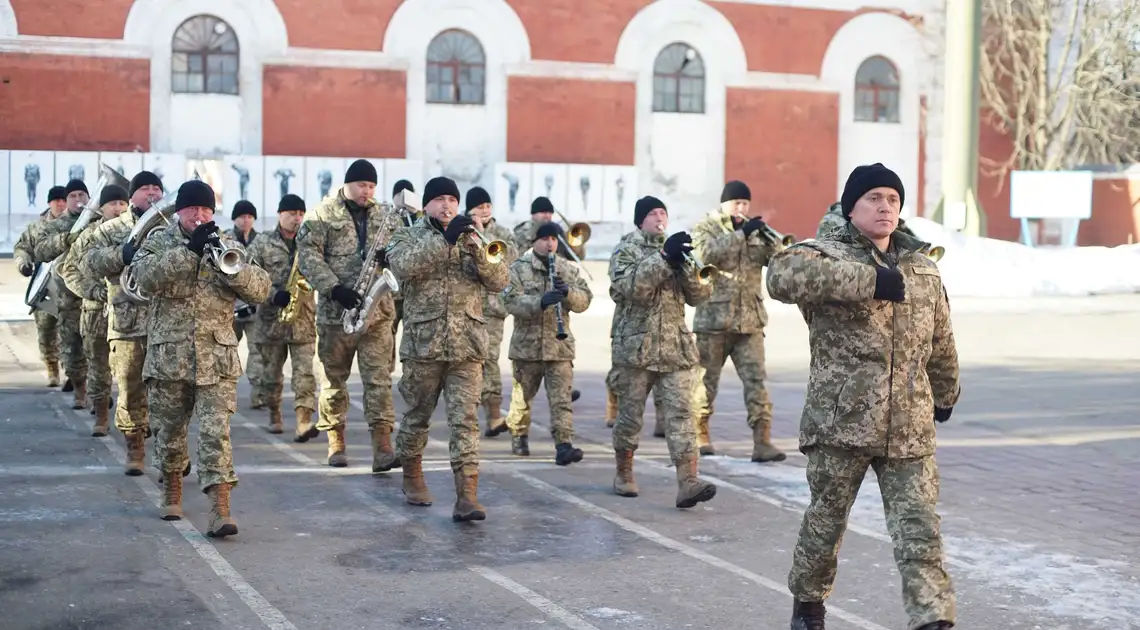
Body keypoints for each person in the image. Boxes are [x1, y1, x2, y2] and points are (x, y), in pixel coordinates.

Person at [767, 163, 959, 630]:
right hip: (842, 424)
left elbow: (940, 337)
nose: (885, 207)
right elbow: (780, 277)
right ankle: (808, 605)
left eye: (893, 199)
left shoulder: (921, 267)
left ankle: (932, 619)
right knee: (826, 524)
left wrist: (947, 387)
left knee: (920, 532)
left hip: (909, 426)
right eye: (874, 198)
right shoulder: (822, 254)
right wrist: (870, 281)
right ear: (851, 206)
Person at [128, 179, 271, 536]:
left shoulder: (227, 244)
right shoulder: (159, 241)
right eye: (193, 209)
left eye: (206, 209)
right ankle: (172, 489)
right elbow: (144, 279)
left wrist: (232, 269)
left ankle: (220, 508)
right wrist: (188, 252)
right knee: (170, 431)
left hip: (216, 358)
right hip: (169, 357)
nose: (200, 215)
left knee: (215, 433)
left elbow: (261, 288)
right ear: (179, 212)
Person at [387, 176, 509, 522]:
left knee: (465, 422)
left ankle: (467, 495)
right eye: (439, 199)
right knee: (417, 416)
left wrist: (476, 249)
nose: (447, 205)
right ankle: (411, 475)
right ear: (426, 205)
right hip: (423, 347)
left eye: (452, 199)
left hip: (467, 348)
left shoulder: (474, 236)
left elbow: (500, 281)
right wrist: (444, 240)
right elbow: (402, 266)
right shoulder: (410, 234)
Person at [608, 196, 716, 509]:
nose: (659, 218)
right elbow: (631, 289)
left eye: (663, 213)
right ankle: (624, 471)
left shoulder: (673, 248)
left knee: (682, 414)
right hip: (635, 349)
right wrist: (663, 259)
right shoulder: (626, 248)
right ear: (639, 220)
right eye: (653, 214)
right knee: (630, 416)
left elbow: (699, 295)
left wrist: (684, 264)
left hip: (675, 349)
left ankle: (688, 481)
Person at [296, 159, 400, 470]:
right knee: (333, 380)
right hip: (335, 314)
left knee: (379, 381)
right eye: (362, 185)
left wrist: (391, 256)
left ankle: (382, 446)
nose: (367, 191)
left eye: (371, 186)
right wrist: (333, 288)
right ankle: (335, 441)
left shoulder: (384, 214)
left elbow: (400, 250)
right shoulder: (321, 214)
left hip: (377, 314)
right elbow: (308, 257)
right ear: (347, 183)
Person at [689, 180, 786, 462]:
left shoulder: (754, 230)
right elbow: (705, 255)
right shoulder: (707, 227)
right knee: (706, 380)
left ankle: (762, 441)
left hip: (750, 321)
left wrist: (772, 241)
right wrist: (741, 234)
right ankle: (700, 434)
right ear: (724, 204)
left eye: (745, 203)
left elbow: (778, 259)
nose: (741, 208)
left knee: (756, 381)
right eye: (737, 203)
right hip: (714, 320)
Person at [86, 171, 166, 475]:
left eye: (156, 188)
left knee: (165, 393)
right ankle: (135, 445)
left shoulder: (170, 227)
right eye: (144, 188)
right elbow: (90, 262)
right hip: (126, 323)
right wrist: (123, 253)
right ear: (132, 195)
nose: (151, 193)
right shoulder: (113, 229)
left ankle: (165, 453)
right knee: (131, 388)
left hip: (165, 326)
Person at [500, 222, 590, 462]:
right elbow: (510, 302)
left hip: (559, 347)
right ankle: (519, 434)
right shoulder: (518, 269)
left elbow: (584, 300)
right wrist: (540, 301)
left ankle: (564, 444)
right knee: (522, 398)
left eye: (554, 239)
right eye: (545, 238)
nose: (550, 243)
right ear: (534, 241)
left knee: (562, 400)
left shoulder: (567, 269)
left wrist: (568, 294)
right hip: (527, 348)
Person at [57, 184, 130, 436]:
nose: (118, 208)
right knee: (98, 369)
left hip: (129, 316)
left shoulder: (135, 234)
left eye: (122, 203)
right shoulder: (88, 235)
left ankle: (134, 421)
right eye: (113, 204)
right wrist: (93, 291)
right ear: (102, 208)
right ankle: (101, 415)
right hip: (95, 314)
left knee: (131, 371)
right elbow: (68, 270)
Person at [246, 194, 317, 439]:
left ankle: (303, 421)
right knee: (271, 376)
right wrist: (272, 295)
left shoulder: (310, 242)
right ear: (280, 214)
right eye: (291, 213)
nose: (297, 218)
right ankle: (274, 414)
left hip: (303, 320)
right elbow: (248, 277)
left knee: (305, 374)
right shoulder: (262, 242)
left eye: (300, 213)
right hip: (271, 320)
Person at [31, 179, 91, 408]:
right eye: (73, 196)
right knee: (72, 347)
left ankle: (97, 396)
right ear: (67, 201)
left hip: (95, 297)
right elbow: (41, 249)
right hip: (67, 298)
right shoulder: (57, 225)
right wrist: (65, 239)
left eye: (82, 195)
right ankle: (79, 390)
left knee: (96, 351)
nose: (78, 200)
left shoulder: (97, 221)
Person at [464, 186, 519, 435]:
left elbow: (511, 257)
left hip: (494, 308)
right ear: (470, 209)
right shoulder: (462, 230)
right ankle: (468, 413)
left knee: (490, 359)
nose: (485, 210)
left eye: (487, 206)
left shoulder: (503, 233)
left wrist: (485, 234)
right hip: (466, 307)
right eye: (480, 207)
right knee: (468, 361)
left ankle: (494, 414)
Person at [15, 184, 67, 386]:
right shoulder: (37, 228)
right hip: (44, 285)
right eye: (56, 201)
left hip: (68, 285)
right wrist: (23, 263)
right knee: (46, 329)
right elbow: (22, 247)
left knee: (70, 332)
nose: (60, 204)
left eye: (63, 200)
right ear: (49, 203)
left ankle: (73, 373)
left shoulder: (75, 223)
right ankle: (51, 367)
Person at [226, 200, 264, 409]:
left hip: (254, 308)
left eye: (250, 216)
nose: (246, 220)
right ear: (234, 219)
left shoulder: (261, 240)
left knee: (257, 351)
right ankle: (226, 394)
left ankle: (258, 394)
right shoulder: (225, 239)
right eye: (242, 216)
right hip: (231, 309)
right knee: (228, 351)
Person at [511, 196, 585, 262]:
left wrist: (574, 241)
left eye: (550, 212)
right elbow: (516, 255)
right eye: (543, 212)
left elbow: (577, 257)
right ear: (533, 213)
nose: (547, 215)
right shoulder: (522, 230)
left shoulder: (555, 230)